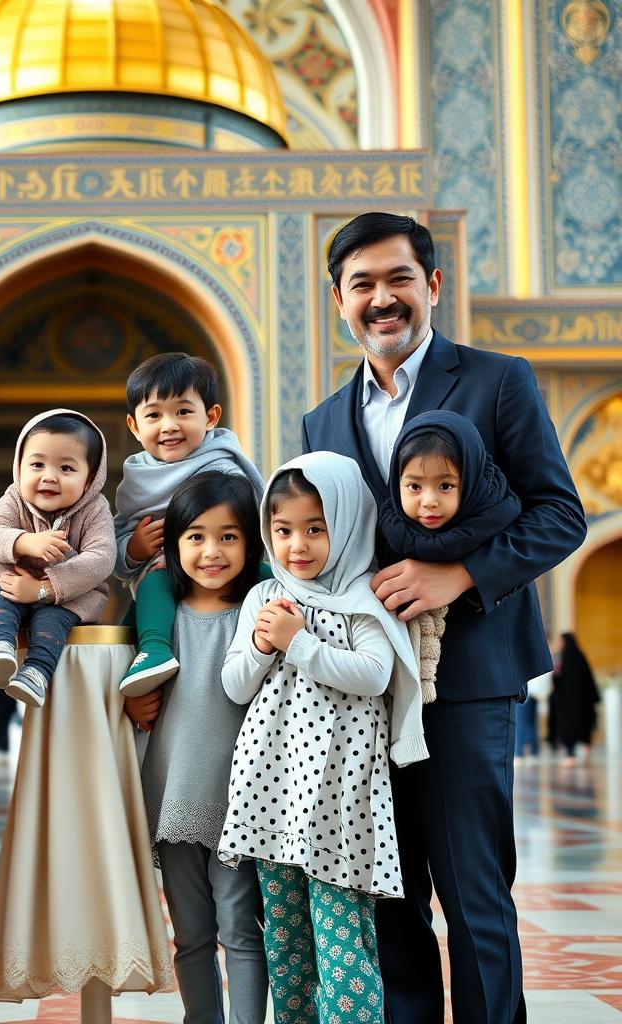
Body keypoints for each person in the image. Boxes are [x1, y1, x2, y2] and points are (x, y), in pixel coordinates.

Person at [302, 212, 587, 1023]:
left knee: (474, 898)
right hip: (367, 691)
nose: (382, 300)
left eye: (399, 279)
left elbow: (559, 513)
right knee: (390, 902)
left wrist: (456, 573)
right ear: (338, 300)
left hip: (469, 684)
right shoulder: (322, 421)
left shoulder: (498, 380)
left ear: (432, 285)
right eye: (363, 285)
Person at [218, 453, 426, 1024]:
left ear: (350, 522)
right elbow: (235, 686)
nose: (297, 546)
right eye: (282, 531)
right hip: (272, 791)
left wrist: (298, 643)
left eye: (316, 528)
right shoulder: (265, 598)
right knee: (285, 941)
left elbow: (374, 675)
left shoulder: (365, 600)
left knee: (341, 944)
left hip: (339, 798)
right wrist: (263, 647)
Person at [125, 470, 269, 1024]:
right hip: (172, 793)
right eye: (196, 536)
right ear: (175, 544)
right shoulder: (158, 611)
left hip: (241, 801)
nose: (212, 551)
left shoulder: (261, 608)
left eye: (229, 536)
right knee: (189, 933)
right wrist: (130, 703)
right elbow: (119, 669)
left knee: (239, 926)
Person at [114, 352, 264, 696]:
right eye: (154, 415)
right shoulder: (136, 479)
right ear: (135, 426)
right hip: (164, 578)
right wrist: (134, 549)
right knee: (142, 604)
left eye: (183, 411)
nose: (169, 425)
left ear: (210, 417)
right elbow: (116, 545)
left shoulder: (224, 467)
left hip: (225, 572)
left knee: (272, 582)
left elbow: (251, 522)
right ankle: (147, 662)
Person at [378, 411, 521, 702]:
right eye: (415, 486)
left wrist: (463, 574)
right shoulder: (389, 527)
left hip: (477, 678)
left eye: (445, 486)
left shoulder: (493, 517)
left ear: (468, 482)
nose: (429, 500)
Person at [0, 410, 115, 709]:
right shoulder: (14, 498)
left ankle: (37, 673)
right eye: (37, 464)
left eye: (66, 468)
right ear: (19, 467)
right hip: (13, 580)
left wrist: (44, 589)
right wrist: (25, 541)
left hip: (65, 596)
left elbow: (102, 558)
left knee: (52, 621)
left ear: (89, 478)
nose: (49, 476)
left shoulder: (95, 509)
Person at [550, 632, 600, 765]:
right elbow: (590, 681)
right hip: (580, 704)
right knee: (581, 727)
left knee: (570, 728)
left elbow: (556, 681)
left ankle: (571, 755)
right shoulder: (579, 658)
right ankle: (582, 754)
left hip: (569, 704)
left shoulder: (564, 659)